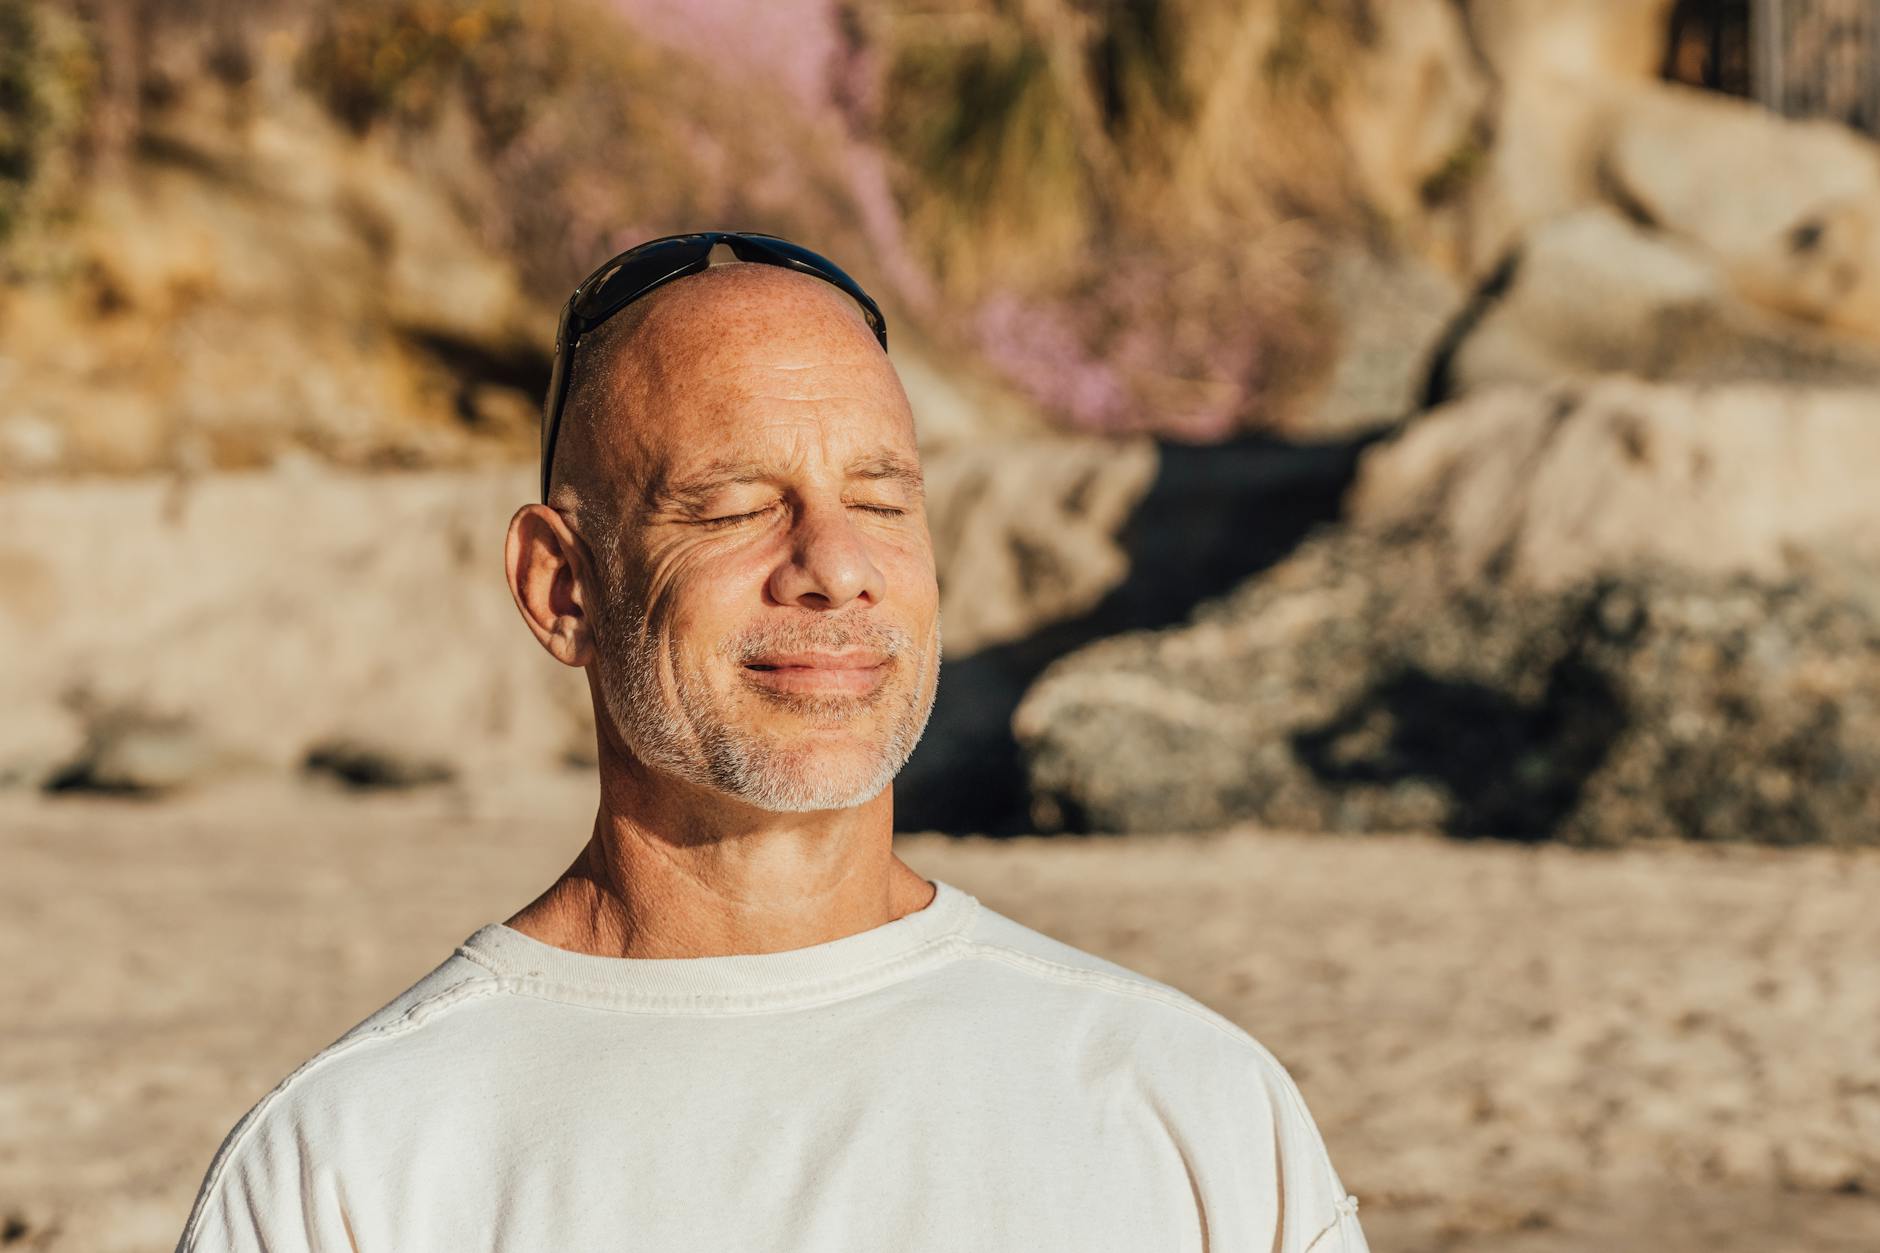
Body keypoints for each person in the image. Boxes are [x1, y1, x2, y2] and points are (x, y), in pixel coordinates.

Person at [174, 232, 1369, 1252]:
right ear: (562, 588)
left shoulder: (1192, 1106)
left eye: (883, 499)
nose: (835, 565)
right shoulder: (351, 1165)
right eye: (737, 505)